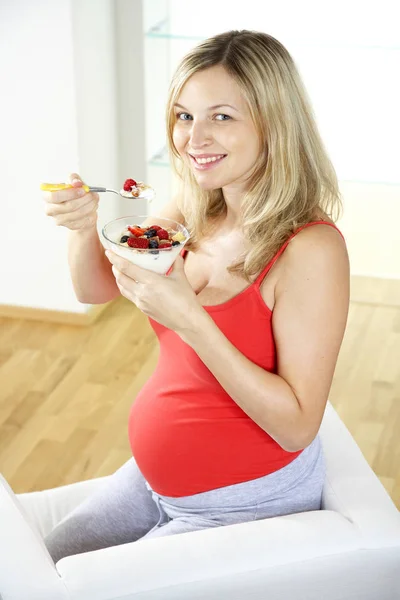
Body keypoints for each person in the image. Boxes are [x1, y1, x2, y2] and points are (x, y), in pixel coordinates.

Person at [42, 30, 350, 563]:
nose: (193, 138)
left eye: (222, 116)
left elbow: (298, 424)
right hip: (155, 482)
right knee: (42, 565)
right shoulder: (194, 212)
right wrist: (82, 227)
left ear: (274, 122)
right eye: (184, 116)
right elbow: (93, 289)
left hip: (245, 499)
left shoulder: (310, 250)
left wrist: (190, 319)